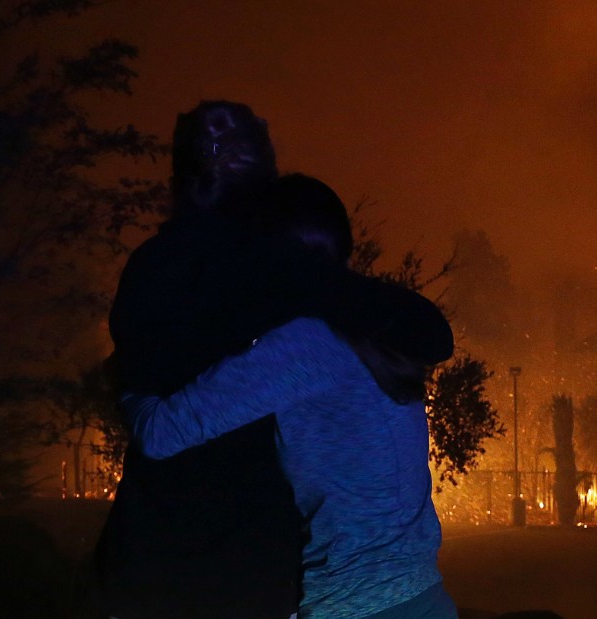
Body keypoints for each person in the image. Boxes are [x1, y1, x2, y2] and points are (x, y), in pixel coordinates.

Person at [95, 102, 452, 619]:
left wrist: (122, 383)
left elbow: (161, 431)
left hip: (202, 575)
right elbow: (432, 334)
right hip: (400, 593)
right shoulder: (365, 331)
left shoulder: (299, 337)